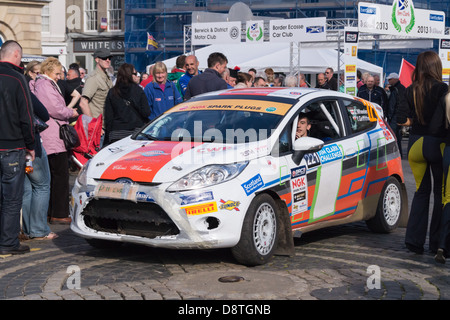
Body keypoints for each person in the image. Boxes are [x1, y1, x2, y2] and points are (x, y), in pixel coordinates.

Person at [397, 51, 448, 255]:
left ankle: (414, 241)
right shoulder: (441, 88)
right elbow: (442, 120)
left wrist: (415, 122)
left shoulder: (411, 89)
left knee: (421, 192)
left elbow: (401, 119)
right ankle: (436, 243)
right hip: (436, 144)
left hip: (415, 145)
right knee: (440, 193)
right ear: (436, 66)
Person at [30, 57, 78, 225]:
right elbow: (54, 109)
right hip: (53, 137)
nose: (59, 76)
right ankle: (58, 213)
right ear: (48, 71)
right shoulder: (45, 85)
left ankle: (53, 212)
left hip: (51, 136)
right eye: (57, 73)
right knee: (59, 177)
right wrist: (69, 112)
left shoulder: (42, 83)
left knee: (54, 177)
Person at [0, 40, 35, 255]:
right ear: (15, 55)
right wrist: (31, 146)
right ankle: (7, 242)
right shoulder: (17, 78)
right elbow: (27, 117)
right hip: (12, 146)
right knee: (12, 199)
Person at [104, 63, 151, 145]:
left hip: (116, 133)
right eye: (135, 74)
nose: (137, 76)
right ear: (130, 75)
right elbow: (146, 112)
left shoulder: (112, 92)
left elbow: (108, 116)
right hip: (134, 133)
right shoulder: (138, 90)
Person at [79, 48, 114, 118]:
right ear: (97, 60)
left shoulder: (107, 76)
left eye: (109, 58)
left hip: (108, 122)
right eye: (104, 58)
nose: (107, 60)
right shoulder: (93, 78)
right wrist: (93, 124)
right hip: (99, 123)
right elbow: (83, 103)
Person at [385, 72, 407, 157]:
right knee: (397, 136)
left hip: (395, 116)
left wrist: (390, 115)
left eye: (390, 79)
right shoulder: (397, 88)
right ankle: (398, 153)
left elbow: (394, 104)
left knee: (393, 136)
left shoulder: (397, 89)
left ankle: (395, 155)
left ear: (395, 79)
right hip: (396, 115)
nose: (388, 81)